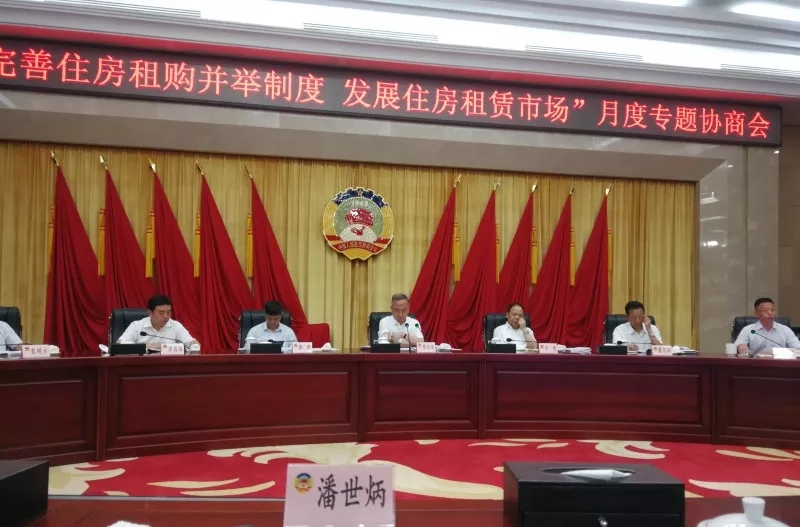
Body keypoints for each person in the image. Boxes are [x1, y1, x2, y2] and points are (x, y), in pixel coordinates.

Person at [117, 294, 199, 351]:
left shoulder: (176, 326)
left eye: (168, 312)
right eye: (161, 313)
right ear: (150, 312)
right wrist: (149, 346)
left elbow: (190, 342)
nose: (166, 316)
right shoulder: (137, 326)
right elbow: (119, 344)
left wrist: (194, 344)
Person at [735, 297, 799, 357]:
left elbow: (798, 348)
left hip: (780, 362)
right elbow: (739, 345)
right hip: (756, 362)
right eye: (765, 310)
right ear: (756, 313)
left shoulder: (785, 330)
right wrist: (741, 346)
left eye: (772, 310)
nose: (770, 313)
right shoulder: (748, 330)